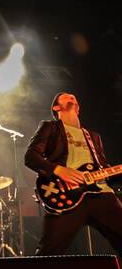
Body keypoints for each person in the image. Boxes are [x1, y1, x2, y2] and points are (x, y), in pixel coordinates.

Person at [25, 92, 122, 256]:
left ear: (78, 108)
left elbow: (104, 168)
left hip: (102, 194)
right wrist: (59, 170)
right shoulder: (50, 127)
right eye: (65, 96)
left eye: (73, 97)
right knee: (48, 253)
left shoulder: (94, 137)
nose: (71, 97)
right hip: (65, 195)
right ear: (56, 108)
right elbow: (31, 157)